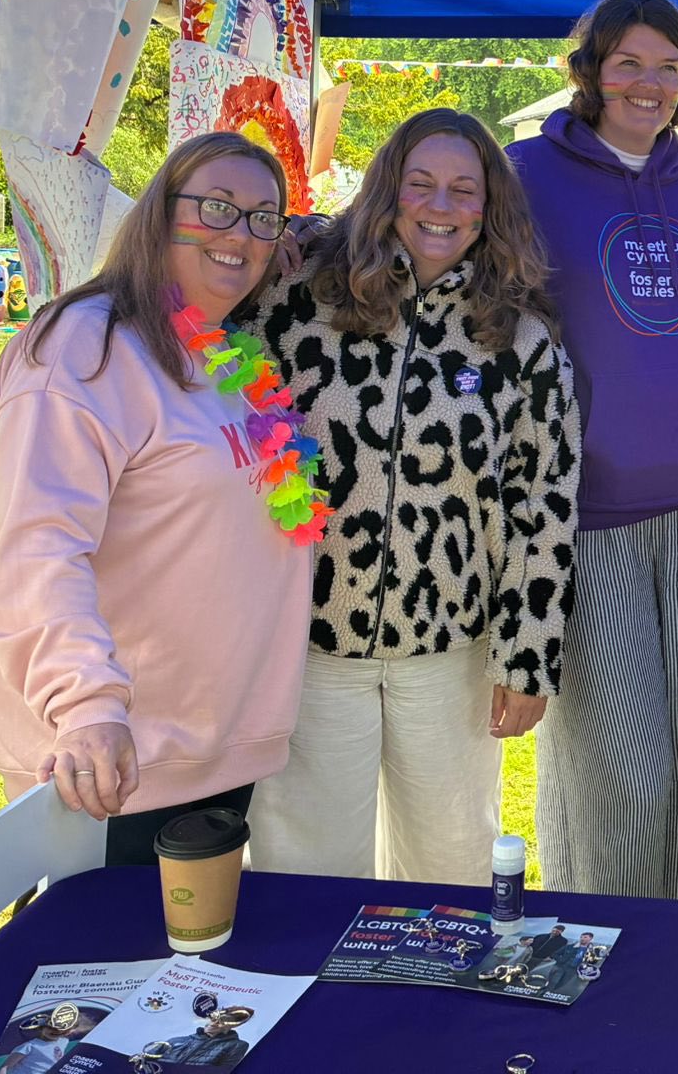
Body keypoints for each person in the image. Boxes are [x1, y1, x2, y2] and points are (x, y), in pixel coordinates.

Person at [244, 109, 579, 886]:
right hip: (310, 642)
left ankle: (436, 1008)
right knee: (305, 869)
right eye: (420, 183)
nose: (441, 205)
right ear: (387, 190)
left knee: (451, 870)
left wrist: (529, 656)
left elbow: (546, 501)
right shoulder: (298, 300)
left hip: (452, 649)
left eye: (465, 190)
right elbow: (201, 323)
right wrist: (284, 232)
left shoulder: (519, 337)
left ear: (490, 208)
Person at [0, 133, 311, 864]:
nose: (240, 235)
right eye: (217, 208)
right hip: (110, 762)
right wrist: (86, 707)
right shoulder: (82, 348)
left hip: (214, 750)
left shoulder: (227, 354)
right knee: (89, 971)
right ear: (159, 214)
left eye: (263, 218)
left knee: (189, 967)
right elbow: (38, 547)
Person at [509, 0, 678, 904]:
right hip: (586, 510)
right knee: (621, 771)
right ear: (590, 71)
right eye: (628, 64)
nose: (649, 84)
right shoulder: (524, 173)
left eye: (667, 67)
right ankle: (606, 947)